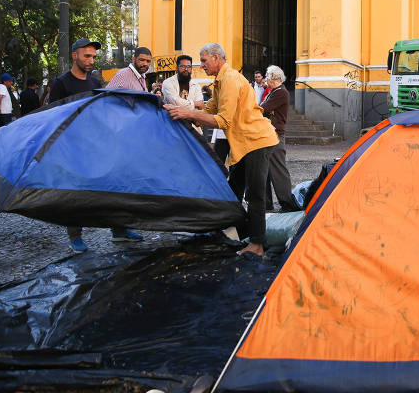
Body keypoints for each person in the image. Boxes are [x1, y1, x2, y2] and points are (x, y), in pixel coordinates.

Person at [165, 43, 279, 257]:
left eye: (204, 60)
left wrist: (189, 114)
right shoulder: (220, 80)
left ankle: (257, 245)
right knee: (233, 189)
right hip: (244, 143)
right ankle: (237, 232)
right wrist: (184, 111)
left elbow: (223, 120)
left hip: (258, 141)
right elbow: (211, 108)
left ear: (217, 58)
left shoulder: (230, 79)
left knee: (255, 194)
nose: (201, 65)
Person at [49, 37, 143, 254]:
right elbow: (52, 116)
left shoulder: (94, 83)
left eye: (93, 56)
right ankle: (75, 237)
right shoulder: (61, 83)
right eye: (87, 56)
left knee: (112, 186)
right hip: (72, 148)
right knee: (75, 194)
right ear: (75, 56)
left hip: (95, 145)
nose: (91, 60)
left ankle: (119, 230)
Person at [260, 65, 301, 212]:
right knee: (264, 170)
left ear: (275, 78)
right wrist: (266, 109)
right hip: (269, 134)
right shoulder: (274, 91)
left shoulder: (280, 92)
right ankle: (266, 203)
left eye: (267, 75)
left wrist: (267, 109)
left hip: (275, 135)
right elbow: (264, 108)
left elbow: (262, 108)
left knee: (278, 170)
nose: (265, 78)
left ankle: (287, 203)